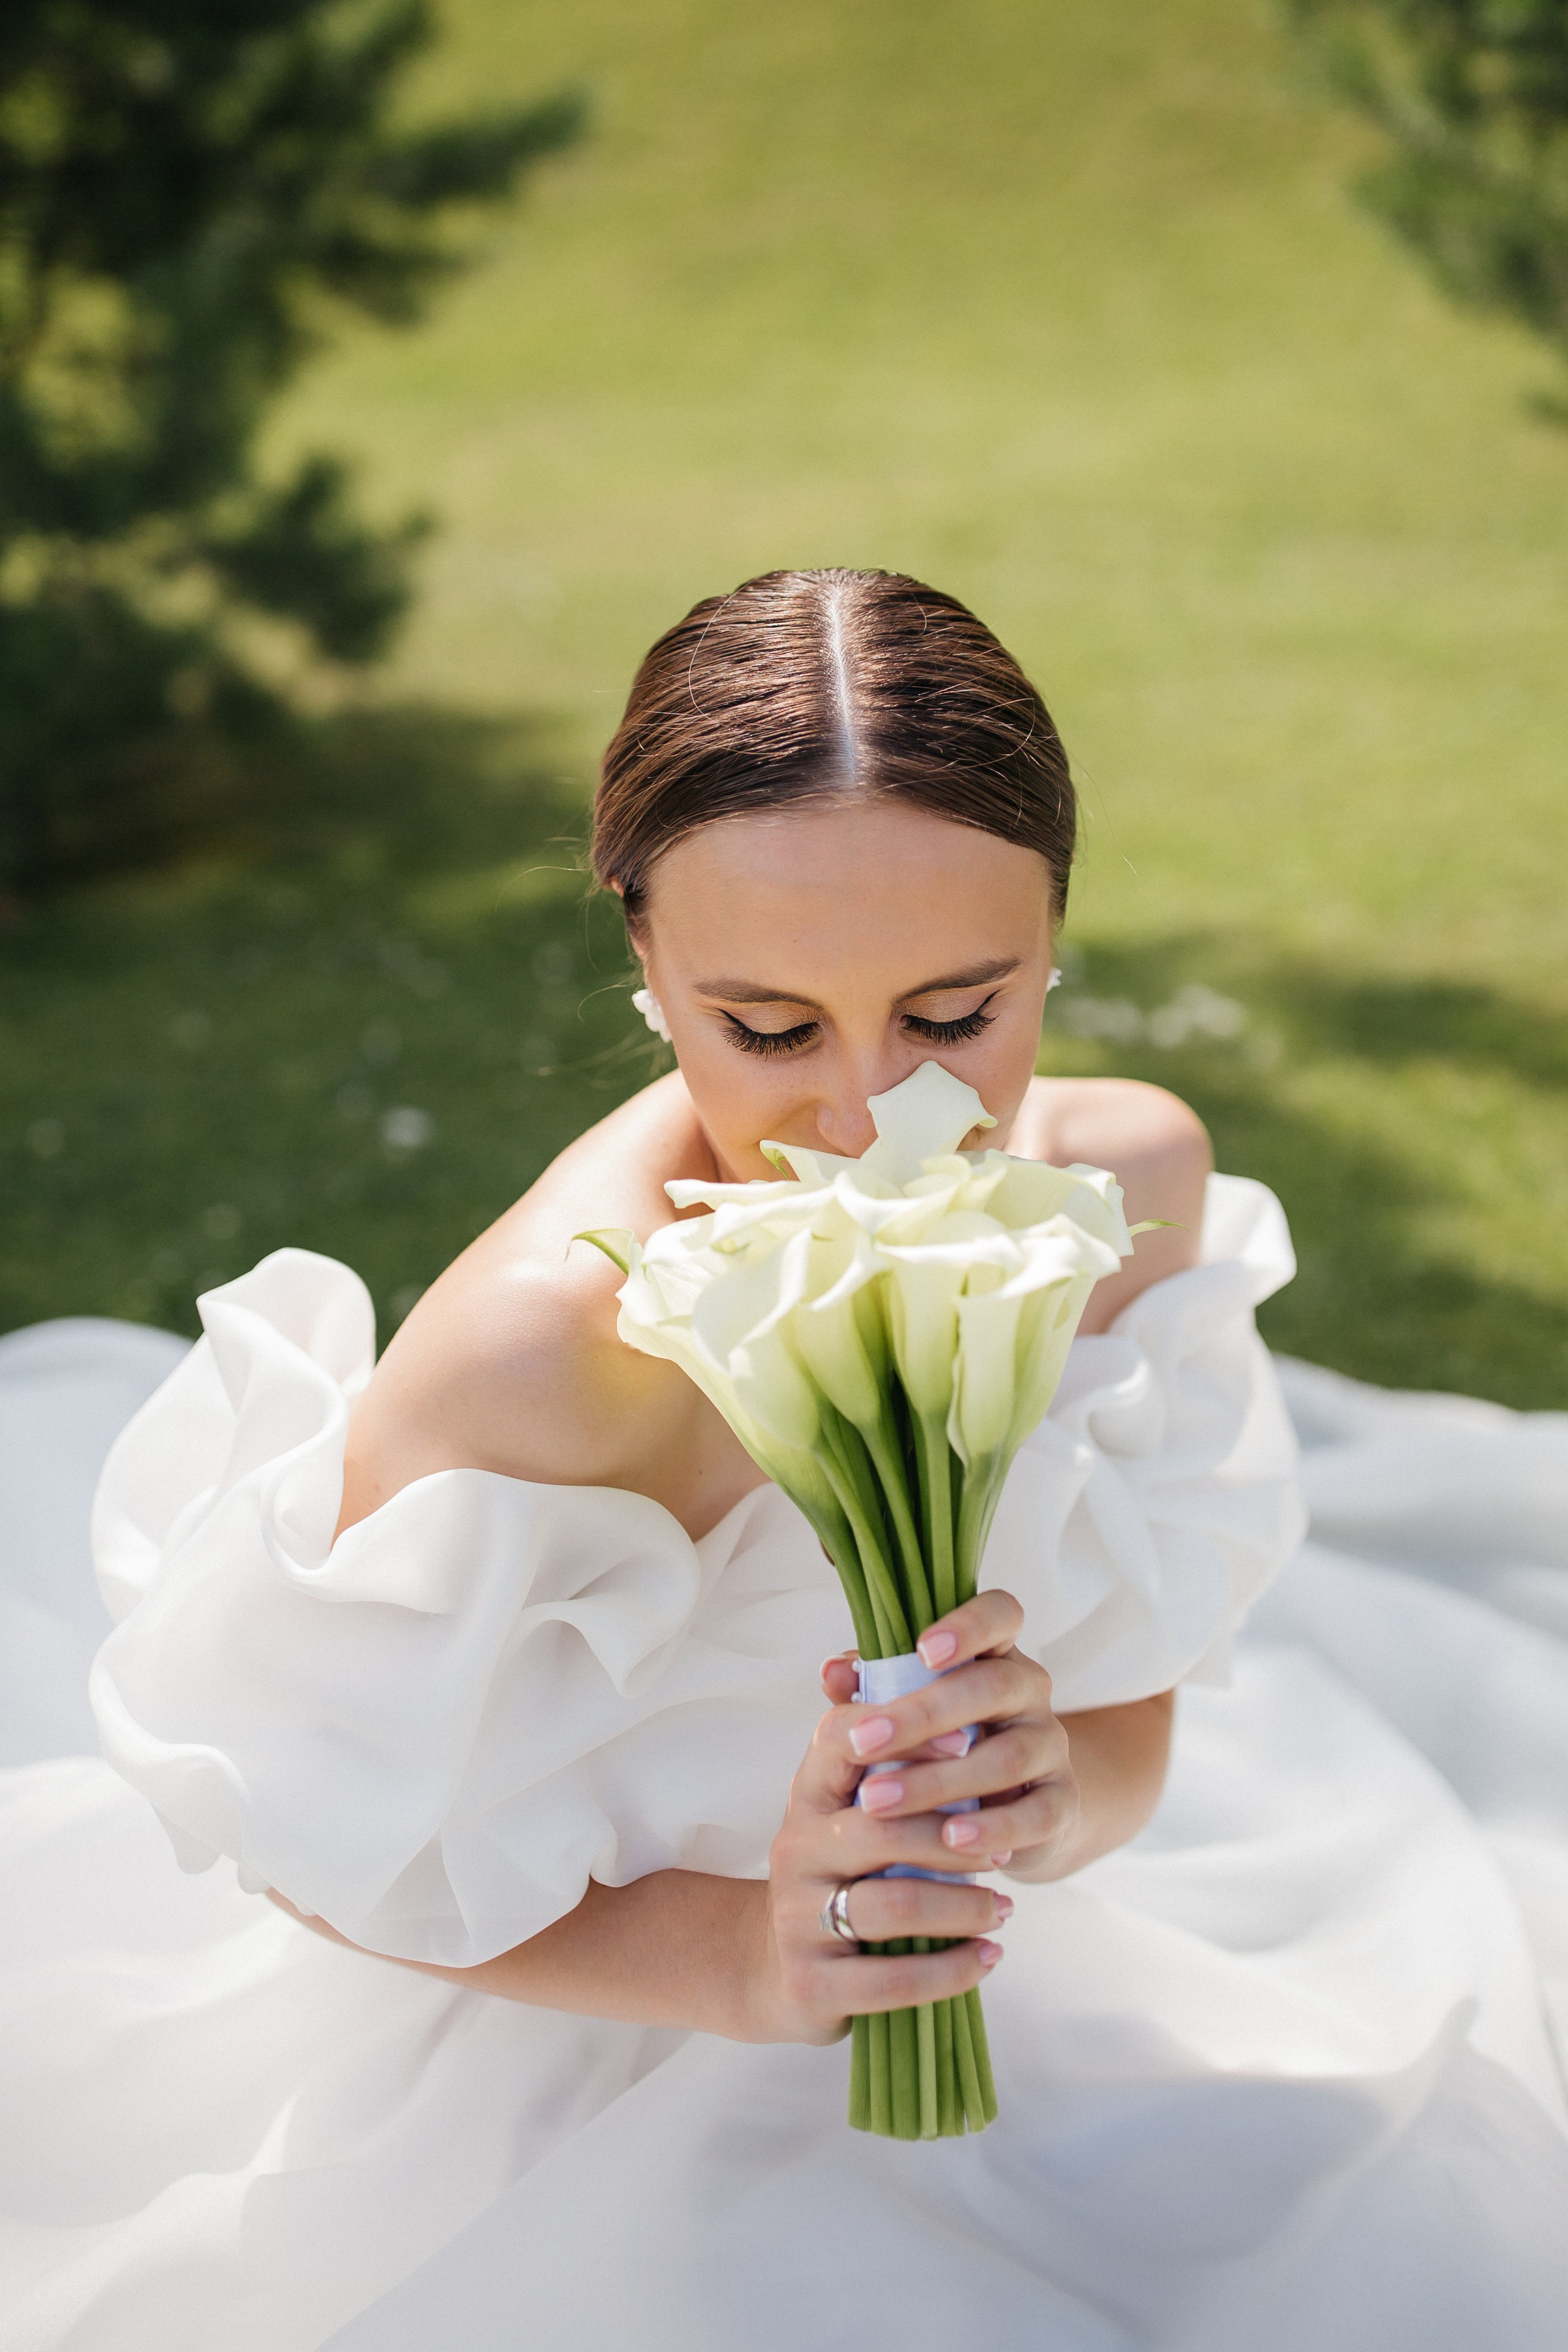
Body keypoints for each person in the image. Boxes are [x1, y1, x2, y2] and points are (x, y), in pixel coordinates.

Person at [1, 570, 1565, 2352]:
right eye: (769, 1027)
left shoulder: (1124, 1197)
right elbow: (320, 1844)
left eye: (958, 1012)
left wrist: (1054, 1799)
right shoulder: (548, 1357)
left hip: (1002, 1985)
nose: (869, 1119)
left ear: (1054, 932)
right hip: (561, 2059)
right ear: (644, 960)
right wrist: (748, 1959)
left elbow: (1137, 1730)